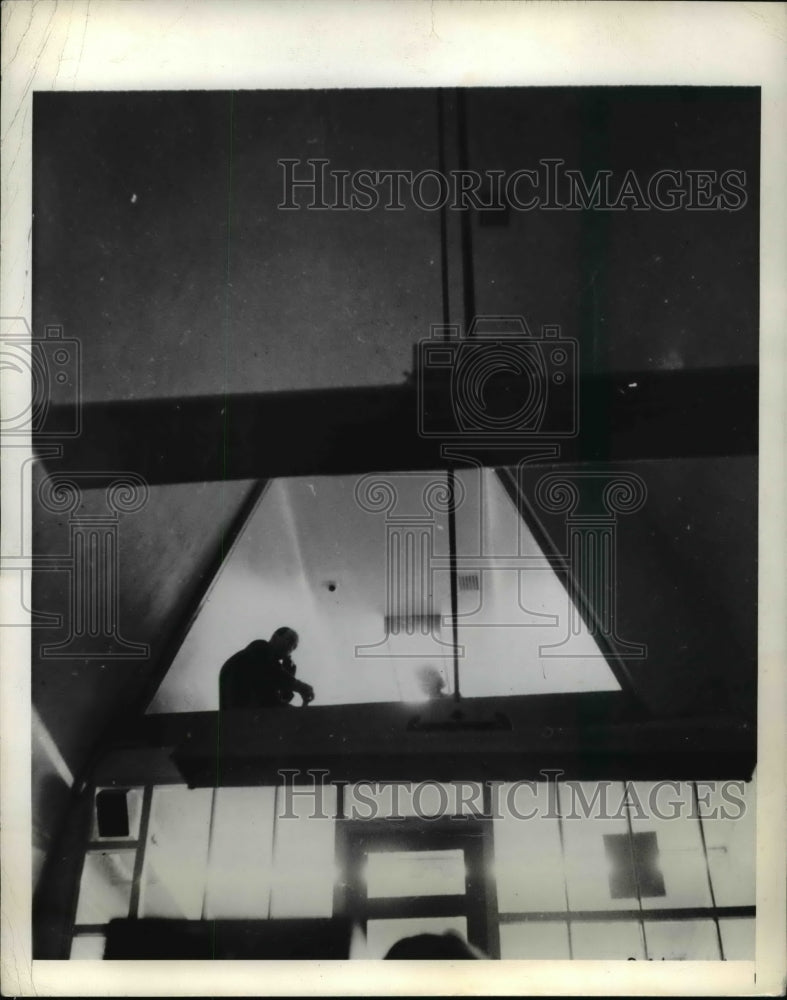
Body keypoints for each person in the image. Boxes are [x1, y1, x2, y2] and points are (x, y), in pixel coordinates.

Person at [219, 627, 315, 710]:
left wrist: (289, 672)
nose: (290, 648)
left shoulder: (272, 666)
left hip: (248, 713)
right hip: (240, 709)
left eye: (294, 647)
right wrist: (298, 685)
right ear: (275, 637)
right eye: (289, 641)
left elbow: (276, 699)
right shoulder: (259, 646)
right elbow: (271, 672)